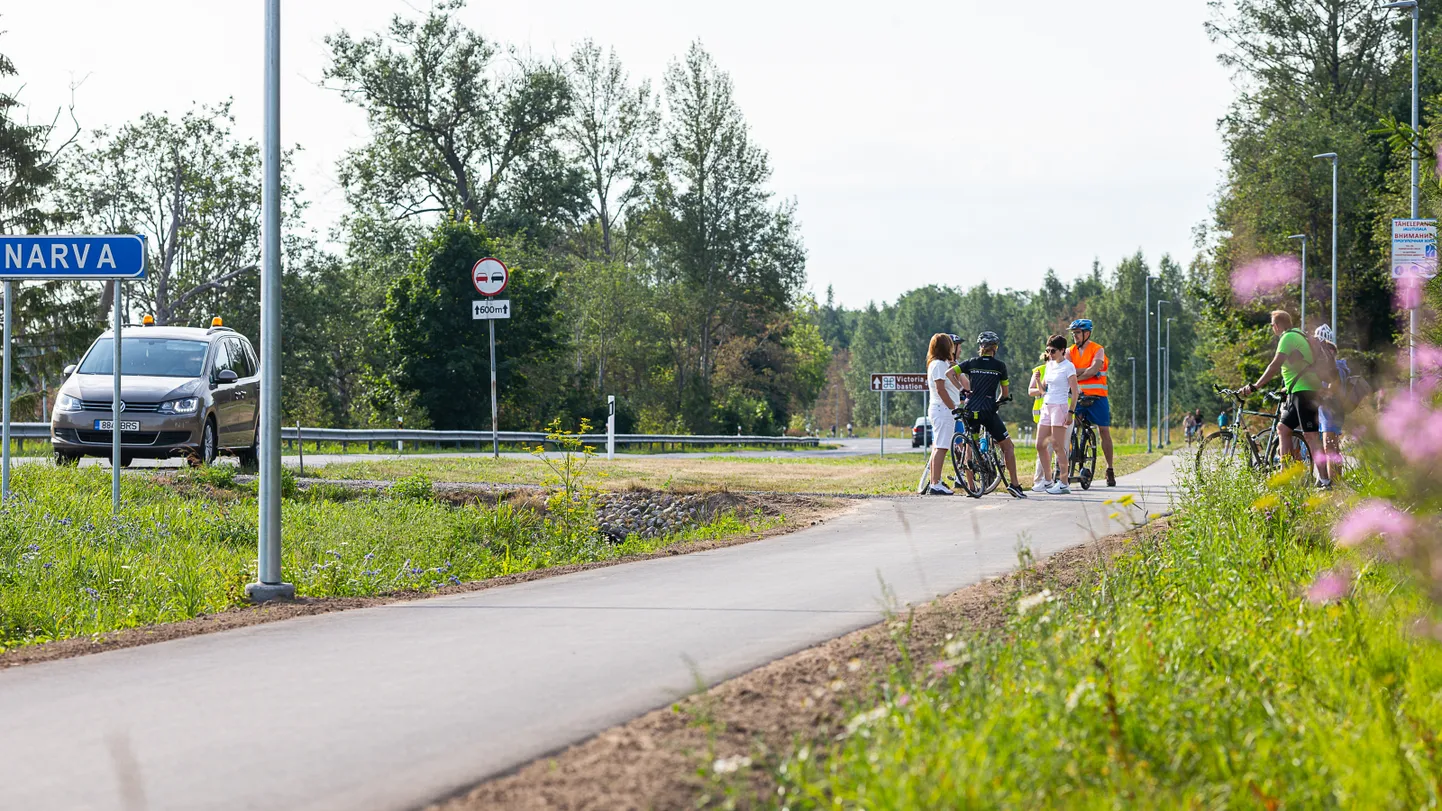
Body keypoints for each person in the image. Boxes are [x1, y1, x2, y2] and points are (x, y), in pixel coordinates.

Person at [1239, 310, 1331, 487]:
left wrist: (1255, 386)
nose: (1273, 328)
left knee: (1311, 437)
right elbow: (1297, 366)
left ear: (1277, 325)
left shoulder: (1287, 338)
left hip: (1305, 392)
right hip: (1297, 391)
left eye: (1272, 325)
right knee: (1282, 428)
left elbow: (1275, 365)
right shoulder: (1298, 335)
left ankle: (1325, 481)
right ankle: (1285, 475)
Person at [955, 331, 1027, 499]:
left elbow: (950, 373)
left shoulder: (971, 363)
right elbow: (1004, 392)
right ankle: (1015, 485)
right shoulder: (1000, 366)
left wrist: (964, 390)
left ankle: (971, 487)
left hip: (971, 409)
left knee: (969, 445)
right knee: (1008, 447)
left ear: (980, 347)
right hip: (988, 411)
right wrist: (998, 402)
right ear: (995, 348)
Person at [1065, 319, 1116, 486]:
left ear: (1087, 334)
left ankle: (1110, 469)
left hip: (1098, 397)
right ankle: (1067, 465)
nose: (1075, 336)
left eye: (1078, 333)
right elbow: (1066, 370)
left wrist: (1075, 375)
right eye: (1073, 333)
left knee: (1104, 431)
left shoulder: (1097, 349)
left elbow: (1094, 369)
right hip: (1077, 396)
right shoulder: (1069, 351)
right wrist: (1084, 371)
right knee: (1070, 426)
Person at [1036, 335, 1079, 494]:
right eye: (1047, 350)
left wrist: (1070, 412)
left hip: (1060, 407)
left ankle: (1064, 483)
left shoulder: (1069, 367)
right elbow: (1044, 391)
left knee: (1057, 446)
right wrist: (1039, 381)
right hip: (1047, 406)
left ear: (1062, 350)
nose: (1050, 354)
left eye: (1053, 351)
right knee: (1040, 444)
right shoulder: (1050, 365)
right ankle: (1047, 480)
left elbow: (1075, 393)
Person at [924, 333, 964, 495]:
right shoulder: (939, 365)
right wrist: (953, 407)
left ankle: (936, 480)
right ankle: (935, 483)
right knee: (942, 447)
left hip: (940, 409)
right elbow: (941, 389)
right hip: (943, 409)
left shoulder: (938, 364)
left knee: (938, 446)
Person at [1312, 323, 1345, 484]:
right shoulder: (1337, 360)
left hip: (1330, 408)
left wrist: (1322, 394)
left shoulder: (1328, 359)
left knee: (1329, 446)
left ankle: (1334, 482)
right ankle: (1335, 480)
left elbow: (1333, 385)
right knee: (1333, 446)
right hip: (1333, 409)